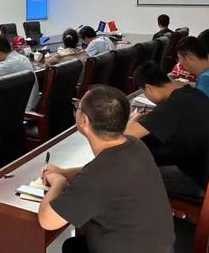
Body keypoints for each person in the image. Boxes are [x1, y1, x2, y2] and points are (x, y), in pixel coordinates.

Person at [38, 86, 174, 253]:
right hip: (156, 246)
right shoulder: (134, 145)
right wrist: (64, 172)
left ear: (84, 120)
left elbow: (47, 220)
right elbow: (99, 174)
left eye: (79, 106)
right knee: (73, 245)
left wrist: (59, 181)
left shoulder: (98, 176)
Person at [125, 62, 209, 197]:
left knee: (127, 174)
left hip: (198, 181)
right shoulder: (193, 93)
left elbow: (126, 136)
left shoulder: (173, 105)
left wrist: (131, 121)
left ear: (149, 88)